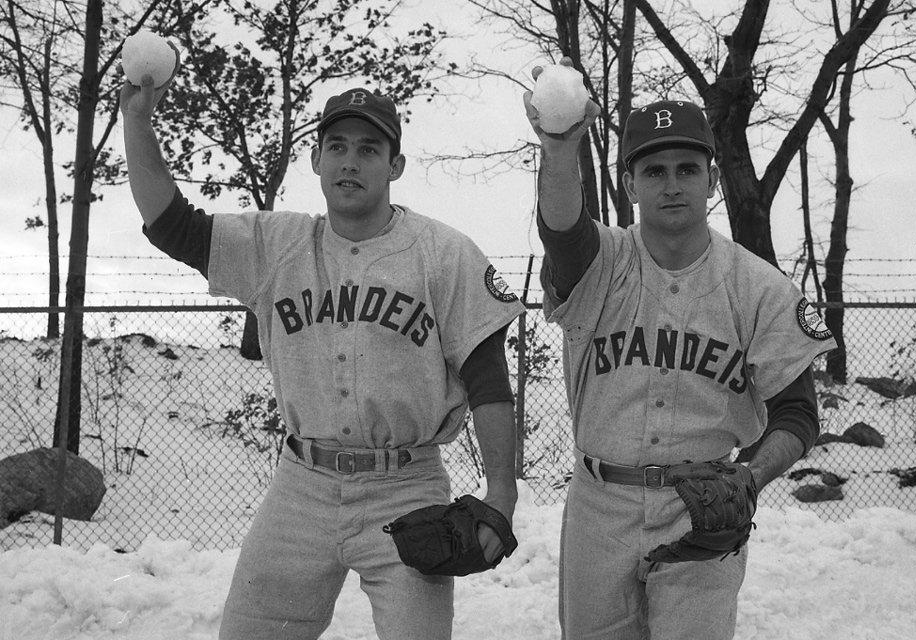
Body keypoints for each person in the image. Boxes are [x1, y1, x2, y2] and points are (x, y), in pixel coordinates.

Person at [120, 50, 525, 640]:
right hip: (300, 487)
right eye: (337, 146)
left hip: (405, 486)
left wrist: (502, 492)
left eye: (368, 148)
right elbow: (170, 224)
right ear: (316, 159)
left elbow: (488, 377)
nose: (350, 161)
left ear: (396, 164)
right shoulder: (279, 243)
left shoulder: (442, 252)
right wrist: (137, 122)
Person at [523, 58, 838, 640]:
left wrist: (752, 477)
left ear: (712, 180)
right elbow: (561, 231)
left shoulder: (758, 287)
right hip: (601, 507)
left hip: (704, 505)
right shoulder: (601, 261)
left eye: (688, 169)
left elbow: (797, 413)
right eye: (655, 169)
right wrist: (560, 152)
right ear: (630, 182)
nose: (672, 184)